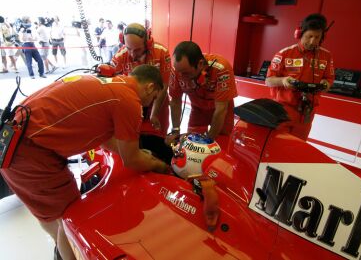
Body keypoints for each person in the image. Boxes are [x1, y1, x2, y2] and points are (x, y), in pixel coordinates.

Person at [0, 64, 168, 260]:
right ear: (149, 87)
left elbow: (106, 140)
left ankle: (61, 246)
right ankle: (67, 251)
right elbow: (131, 160)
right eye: (154, 97)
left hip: (11, 141)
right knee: (72, 216)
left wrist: (137, 153)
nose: (150, 103)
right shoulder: (129, 99)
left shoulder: (107, 82)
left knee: (47, 213)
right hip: (31, 153)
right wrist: (160, 165)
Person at [265, 13, 335, 141]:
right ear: (299, 34)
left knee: (298, 146)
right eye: (309, 36)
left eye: (317, 37)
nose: (313, 41)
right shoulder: (284, 53)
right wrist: (283, 80)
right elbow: (268, 81)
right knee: (277, 144)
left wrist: (326, 83)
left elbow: (329, 78)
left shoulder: (326, 56)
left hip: (307, 112)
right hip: (283, 109)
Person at [166, 41, 237, 144]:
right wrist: (175, 131)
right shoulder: (177, 71)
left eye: (186, 73)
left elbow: (221, 110)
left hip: (222, 110)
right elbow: (175, 101)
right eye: (179, 72)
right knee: (192, 144)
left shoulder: (221, 69)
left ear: (200, 64)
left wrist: (208, 140)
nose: (181, 76)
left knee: (221, 144)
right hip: (198, 109)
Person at [111, 23, 172, 137]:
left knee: (160, 137)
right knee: (133, 137)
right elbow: (116, 90)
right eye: (129, 49)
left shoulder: (162, 52)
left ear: (147, 43)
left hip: (158, 101)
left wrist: (154, 113)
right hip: (133, 103)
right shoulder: (119, 57)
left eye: (137, 50)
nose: (133, 54)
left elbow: (163, 86)